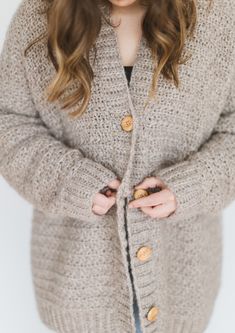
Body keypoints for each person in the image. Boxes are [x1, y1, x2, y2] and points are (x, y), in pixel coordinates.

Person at [0, 0, 235, 332]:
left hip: (179, 284)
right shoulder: (39, 17)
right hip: (78, 288)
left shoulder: (216, 17)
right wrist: (69, 180)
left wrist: (191, 186)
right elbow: (9, 124)